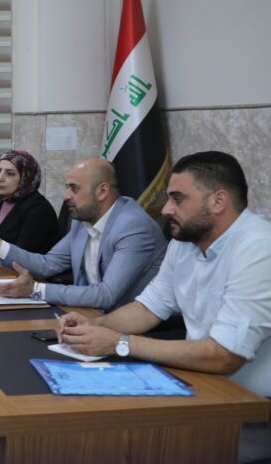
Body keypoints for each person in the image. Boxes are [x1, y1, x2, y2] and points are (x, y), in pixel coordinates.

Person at [56, 151, 271, 407]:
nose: (166, 209)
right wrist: (95, 325)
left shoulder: (259, 247)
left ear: (218, 201)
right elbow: (148, 308)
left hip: (250, 406)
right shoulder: (185, 241)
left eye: (177, 199)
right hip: (201, 384)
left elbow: (224, 355)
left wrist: (119, 343)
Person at [0, 158, 166, 311]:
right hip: (85, 313)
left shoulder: (133, 227)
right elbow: (47, 265)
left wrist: (36, 290)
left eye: (74, 188)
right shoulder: (82, 220)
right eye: (67, 187)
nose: (65, 196)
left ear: (102, 191)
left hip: (132, 326)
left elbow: (106, 295)